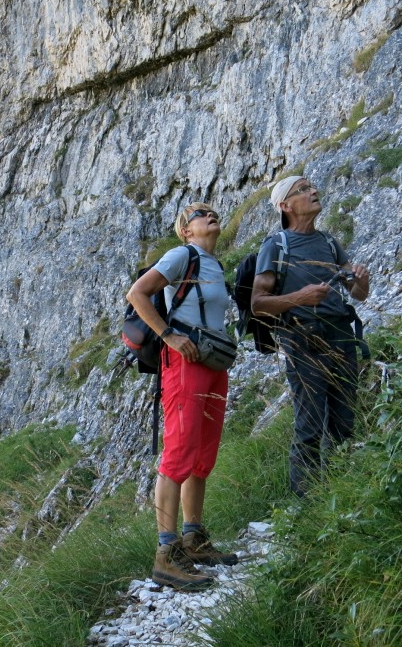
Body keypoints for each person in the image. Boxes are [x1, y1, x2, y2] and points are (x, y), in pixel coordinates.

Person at [126, 202, 238, 591]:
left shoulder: (214, 264)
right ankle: (166, 555)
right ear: (186, 230)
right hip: (185, 361)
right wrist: (169, 335)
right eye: (199, 214)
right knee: (178, 453)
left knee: (202, 453)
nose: (210, 214)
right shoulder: (181, 255)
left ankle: (194, 539)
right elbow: (137, 294)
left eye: (212, 211)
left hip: (213, 362)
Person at [250, 175, 370, 497]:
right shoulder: (276, 245)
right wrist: (300, 298)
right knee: (310, 423)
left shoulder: (329, 242)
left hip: (341, 335)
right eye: (302, 190)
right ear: (285, 206)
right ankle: (304, 502)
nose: (313, 191)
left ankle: (342, 490)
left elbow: (359, 294)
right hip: (303, 340)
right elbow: (258, 304)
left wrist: (361, 278)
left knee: (345, 418)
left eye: (312, 186)